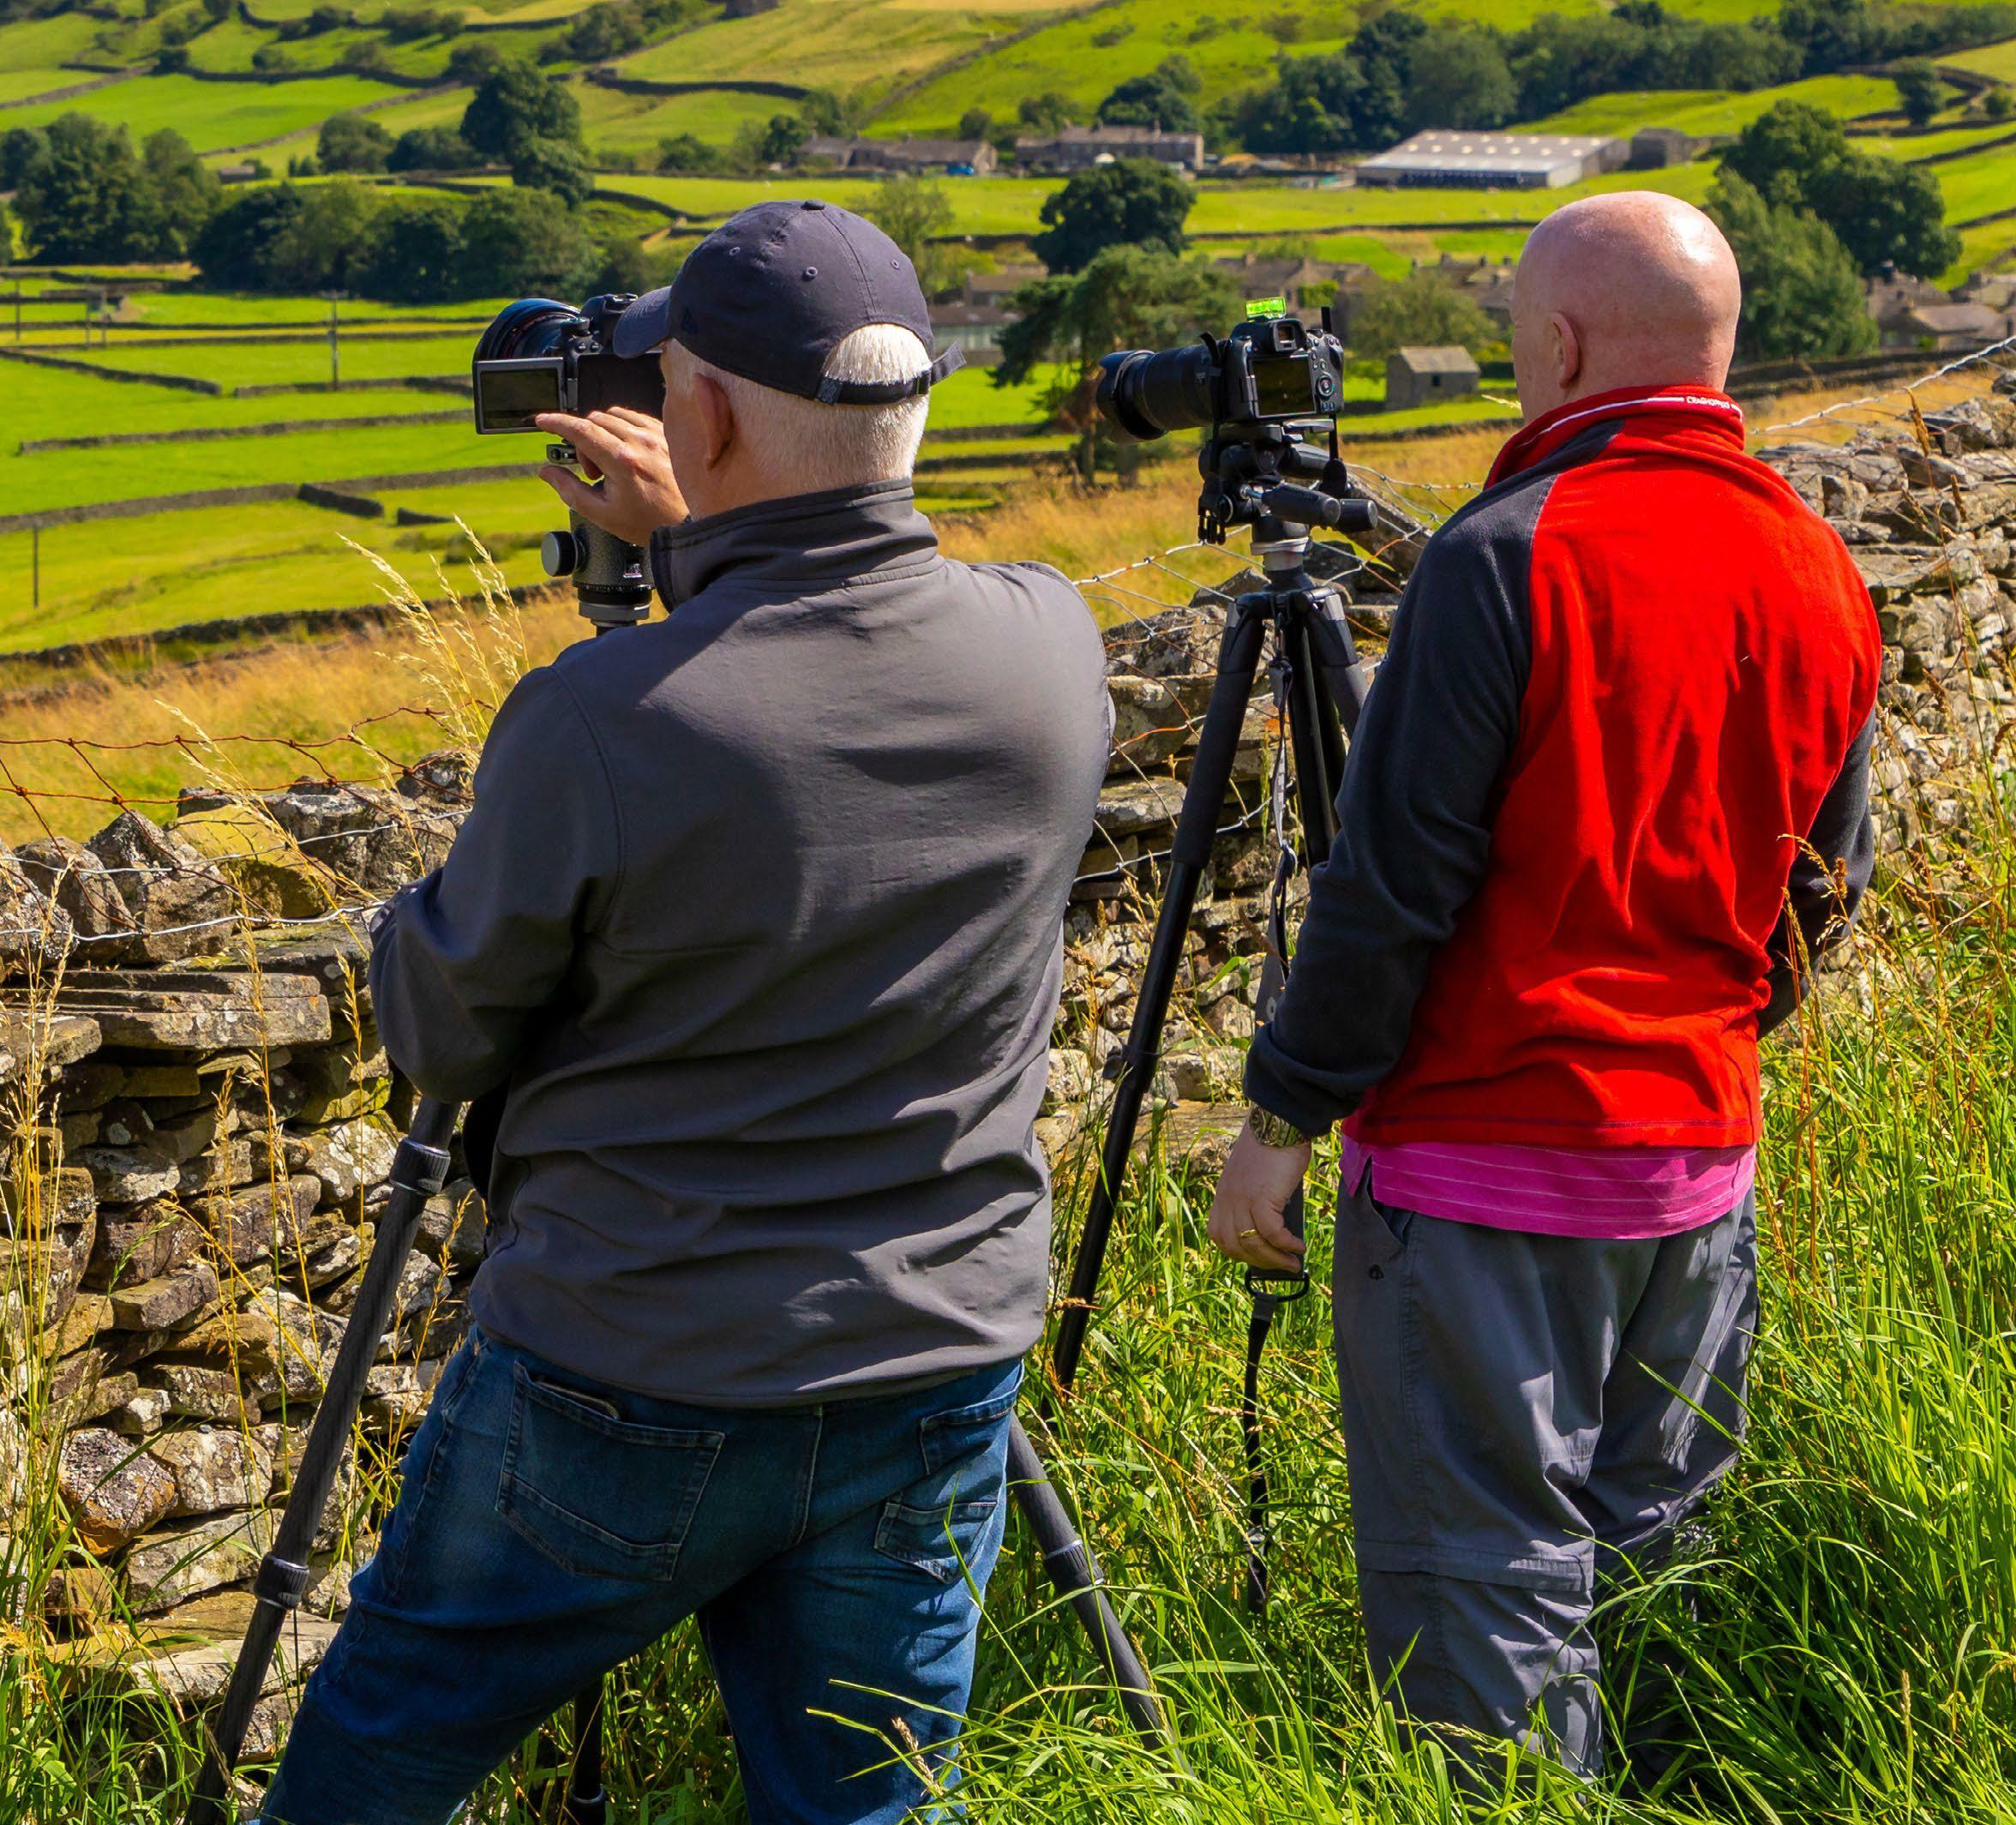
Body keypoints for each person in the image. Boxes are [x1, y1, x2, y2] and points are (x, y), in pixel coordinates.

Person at [267, 203, 1113, 1825]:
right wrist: (700, 548)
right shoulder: (1051, 646)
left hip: (634, 1365)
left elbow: (445, 1030)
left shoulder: (601, 716)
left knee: (383, 1748)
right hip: (933, 1364)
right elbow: (823, 670)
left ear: (699, 415)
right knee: (858, 1804)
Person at [1214, 190, 1880, 1777]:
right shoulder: (1819, 564)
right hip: (1700, 1166)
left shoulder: (1504, 557)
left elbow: (1390, 892)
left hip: (1481, 1169)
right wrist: (1694, 1028)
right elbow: (1814, 897)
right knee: (1656, 1569)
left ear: (1562, 344)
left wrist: (1284, 1114)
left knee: (1486, 1608)